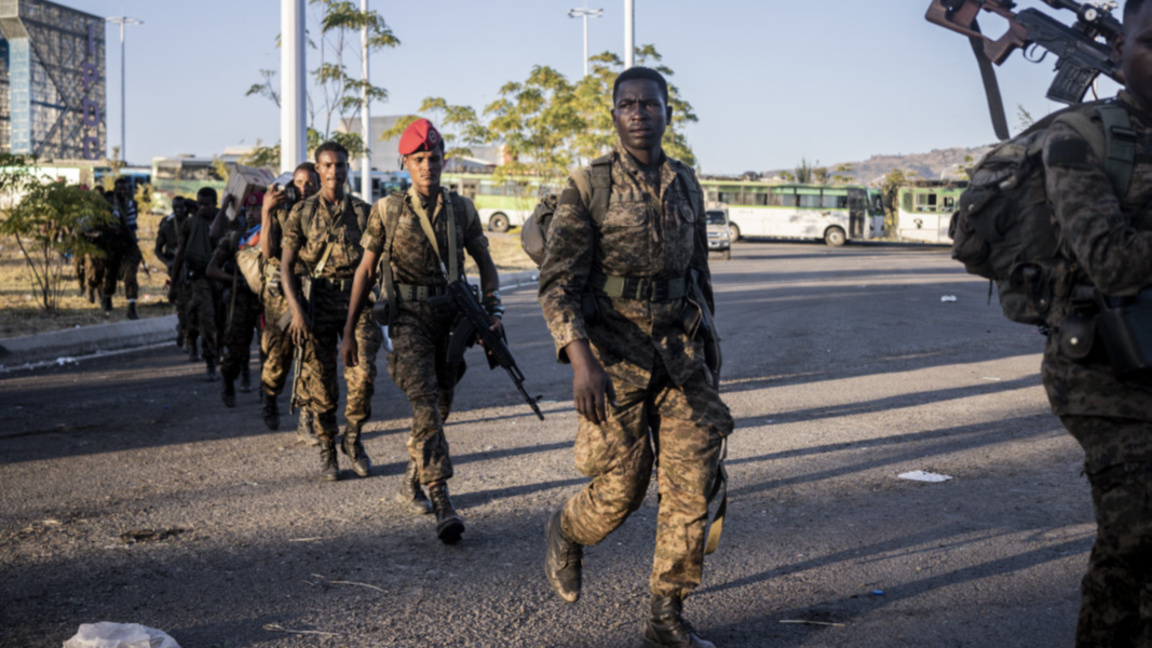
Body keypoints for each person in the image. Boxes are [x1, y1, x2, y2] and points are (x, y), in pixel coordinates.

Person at [537, 67, 732, 648]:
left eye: (650, 103)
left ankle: (665, 615)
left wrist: (710, 348)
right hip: (612, 358)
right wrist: (581, 361)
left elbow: (697, 274)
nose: (639, 113)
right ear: (615, 115)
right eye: (628, 104)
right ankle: (566, 529)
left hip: (679, 357)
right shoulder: (589, 186)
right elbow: (557, 285)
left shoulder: (687, 183)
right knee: (623, 487)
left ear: (668, 112)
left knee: (691, 485)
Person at [1040, 2, 1152, 645]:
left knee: (1132, 553)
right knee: (1139, 538)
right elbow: (1113, 262)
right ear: (1117, 50)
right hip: (1107, 376)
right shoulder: (1080, 136)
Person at [341, 118, 504, 545]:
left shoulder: (462, 210)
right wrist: (349, 331)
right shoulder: (388, 210)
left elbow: (486, 266)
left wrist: (493, 311)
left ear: (444, 160)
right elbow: (365, 270)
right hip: (408, 320)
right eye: (419, 160)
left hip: (451, 320)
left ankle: (413, 477)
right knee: (426, 402)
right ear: (405, 164)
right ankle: (442, 499)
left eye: (434, 158)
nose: (427, 166)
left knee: (441, 405)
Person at [281, 142, 381, 482]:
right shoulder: (302, 212)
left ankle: (353, 437)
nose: (334, 171)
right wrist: (297, 312)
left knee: (363, 375)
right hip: (317, 303)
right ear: (318, 169)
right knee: (320, 382)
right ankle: (327, 446)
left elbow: (375, 265)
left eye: (340, 165)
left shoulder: (364, 213)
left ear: (347, 168)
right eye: (327, 165)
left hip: (357, 302)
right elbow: (286, 267)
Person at [260, 163, 320, 437]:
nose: (304, 188)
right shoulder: (281, 211)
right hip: (282, 290)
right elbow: (267, 251)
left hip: (313, 287)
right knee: (279, 356)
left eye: (310, 183)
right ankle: (270, 395)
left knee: (312, 353)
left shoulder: (323, 212)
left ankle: (306, 418)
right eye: (299, 182)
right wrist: (266, 211)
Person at [207, 219, 263, 407]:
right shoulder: (236, 238)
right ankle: (228, 380)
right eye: (250, 209)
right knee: (235, 347)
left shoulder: (272, 235)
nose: (254, 213)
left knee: (270, 347)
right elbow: (212, 269)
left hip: (264, 300)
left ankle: (268, 392)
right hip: (240, 299)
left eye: (258, 209)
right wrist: (234, 280)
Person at [170, 187, 222, 381]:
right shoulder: (191, 224)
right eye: (199, 204)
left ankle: (216, 350)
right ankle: (210, 362)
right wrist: (173, 285)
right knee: (205, 317)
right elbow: (180, 254)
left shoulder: (225, 221)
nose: (202, 208)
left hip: (221, 278)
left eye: (206, 204)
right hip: (199, 278)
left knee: (220, 319)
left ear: (214, 204)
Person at [155, 196, 188, 347]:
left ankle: (185, 328)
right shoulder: (167, 225)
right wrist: (167, 262)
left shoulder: (192, 223)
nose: (179, 210)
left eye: (182, 207)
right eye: (176, 207)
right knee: (181, 301)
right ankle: (182, 330)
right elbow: (157, 249)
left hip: (190, 265)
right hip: (176, 268)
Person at [112, 176, 142, 320]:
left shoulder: (130, 204)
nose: (123, 192)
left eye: (125, 189)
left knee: (131, 274)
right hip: (112, 242)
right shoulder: (110, 203)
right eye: (120, 189)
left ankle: (131, 305)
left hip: (127, 242)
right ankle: (106, 297)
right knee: (110, 273)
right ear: (115, 189)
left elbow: (132, 225)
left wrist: (131, 238)